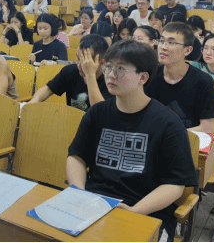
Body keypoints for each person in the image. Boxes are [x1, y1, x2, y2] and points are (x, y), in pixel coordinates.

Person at [67, 39, 197, 242]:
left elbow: (175, 184)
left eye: (120, 69)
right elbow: (77, 157)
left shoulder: (168, 123)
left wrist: (134, 211)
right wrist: (79, 193)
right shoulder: (97, 113)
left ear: (143, 77)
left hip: (146, 212)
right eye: (109, 66)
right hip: (94, 203)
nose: (111, 74)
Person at [146, 22, 214, 133]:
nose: (163, 47)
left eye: (171, 42)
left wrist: (171, 137)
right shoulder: (150, 75)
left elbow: (208, 128)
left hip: (188, 140)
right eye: (162, 41)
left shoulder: (203, 81)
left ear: (187, 50)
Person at [29, 34, 112, 110]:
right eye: (78, 58)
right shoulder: (71, 71)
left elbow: (99, 112)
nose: (80, 65)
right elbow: (47, 89)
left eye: (85, 61)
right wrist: (33, 102)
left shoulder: (110, 81)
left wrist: (90, 75)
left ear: (102, 63)